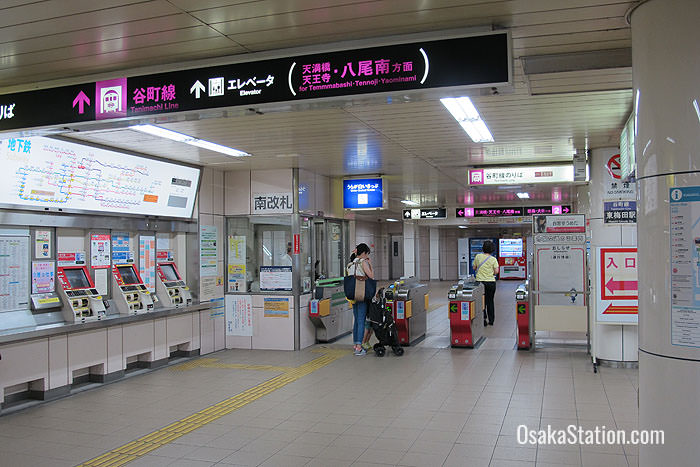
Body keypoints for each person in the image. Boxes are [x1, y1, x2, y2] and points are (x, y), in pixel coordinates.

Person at [346, 243, 374, 355]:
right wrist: (370, 264)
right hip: (361, 294)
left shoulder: (350, 264)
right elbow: (371, 276)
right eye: (367, 253)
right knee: (361, 320)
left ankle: (355, 344)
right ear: (364, 253)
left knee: (357, 320)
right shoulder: (363, 262)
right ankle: (359, 347)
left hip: (352, 295)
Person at [473, 240, 499, 327]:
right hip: (491, 283)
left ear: (483, 248)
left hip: (480, 283)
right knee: (490, 301)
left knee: (481, 301)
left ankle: (483, 319)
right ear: (492, 249)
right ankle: (491, 320)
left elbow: (474, 267)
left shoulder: (478, 256)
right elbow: (496, 272)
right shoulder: (493, 259)